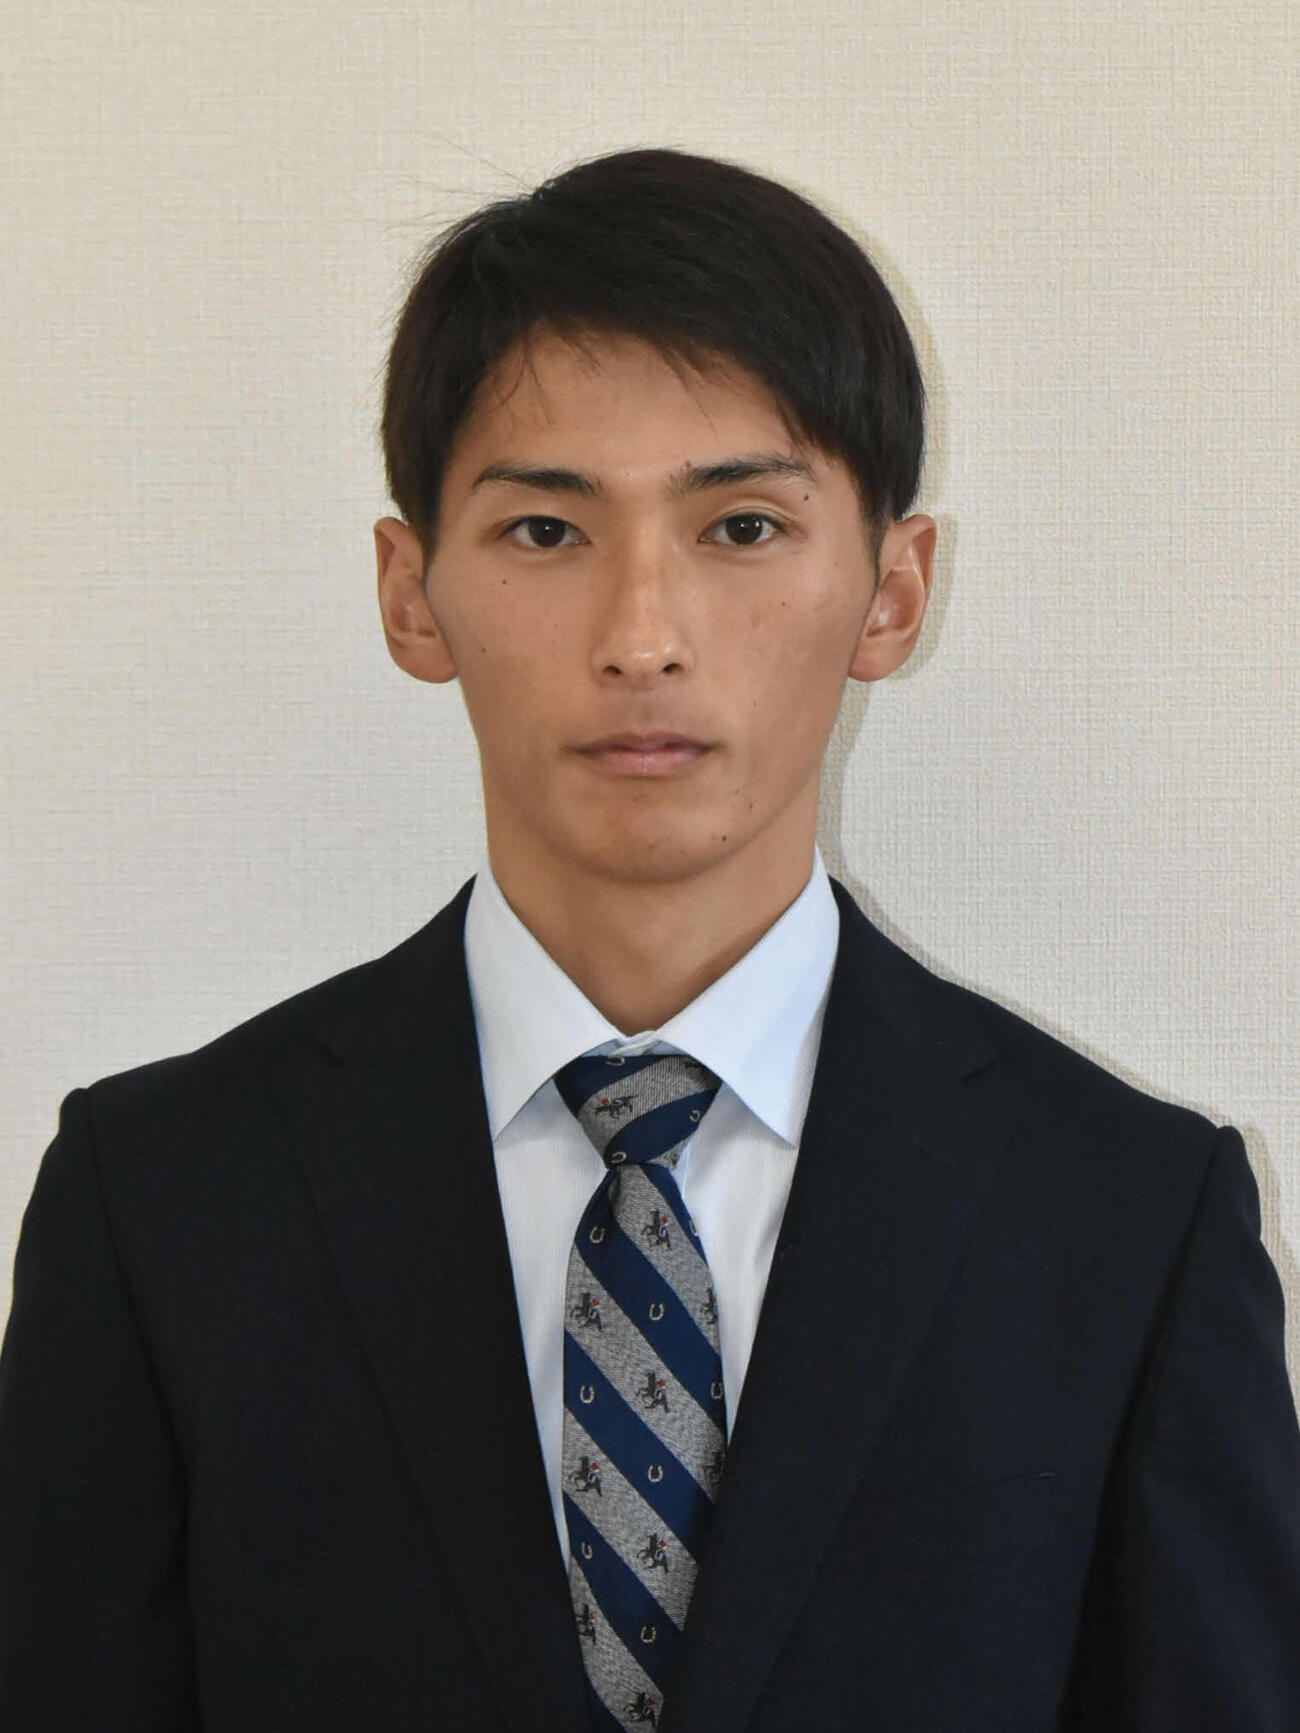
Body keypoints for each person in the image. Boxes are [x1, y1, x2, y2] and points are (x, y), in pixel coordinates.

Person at [1, 145, 1297, 1733]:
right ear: (411, 592)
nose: (641, 637)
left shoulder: (1128, 1223)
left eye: (741, 526)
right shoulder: (161, 1204)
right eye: (546, 532)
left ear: (894, 590)